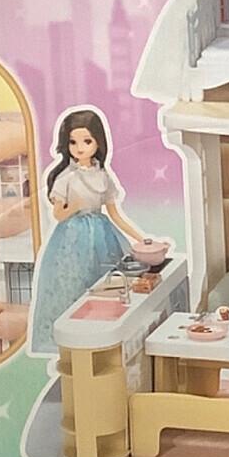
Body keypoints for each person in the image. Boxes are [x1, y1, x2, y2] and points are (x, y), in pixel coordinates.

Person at [29, 108, 149, 354]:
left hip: (102, 235)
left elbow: (115, 214)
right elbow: (58, 215)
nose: (79, 148)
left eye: (86, 141)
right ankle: (72, 342)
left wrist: (141, 238)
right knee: (72, 285)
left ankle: (103, 338)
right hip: (72, 238)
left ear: (97, 142)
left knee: (105, 284)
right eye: (73, 142)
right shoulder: (66, 177)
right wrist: (73, 207)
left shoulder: (102, 176)